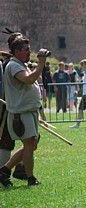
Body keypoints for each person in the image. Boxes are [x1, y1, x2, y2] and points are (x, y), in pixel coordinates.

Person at [0, 36, 50, 187]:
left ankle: (4, 170)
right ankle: (30, 178)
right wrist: (41, 63)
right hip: (20, 113)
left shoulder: (21, 64)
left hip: (28, 112)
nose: (29, 52)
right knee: (29, 145)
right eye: (26, 50)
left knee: (31, 144)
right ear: (16, 51)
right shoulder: (14, 66)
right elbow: (28, 79)